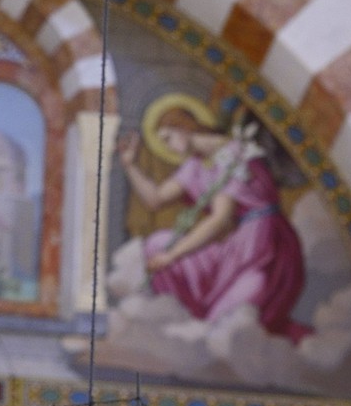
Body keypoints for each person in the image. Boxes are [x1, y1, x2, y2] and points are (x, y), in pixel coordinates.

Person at [116, 100, 310, 343]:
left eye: (168, 138)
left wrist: (172, 255)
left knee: (223, 325)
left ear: (183, 128)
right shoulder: (195, 164)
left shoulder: (233, 153)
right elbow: (155, 199)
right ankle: (194, 317)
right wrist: (130, 165)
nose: (168, 147)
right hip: (231, 246)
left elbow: (220, 219)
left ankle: (211, 321)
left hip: (264, 245)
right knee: (156, 245)